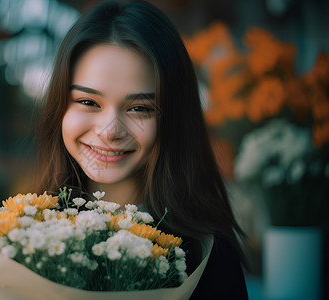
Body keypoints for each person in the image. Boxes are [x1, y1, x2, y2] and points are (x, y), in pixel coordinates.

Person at [35, 0, 249, 298]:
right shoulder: (24, 234)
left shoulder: (206, 255)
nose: (110, 131)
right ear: (59, 107)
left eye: (139, 108)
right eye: (88, 102)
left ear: (172, 120)